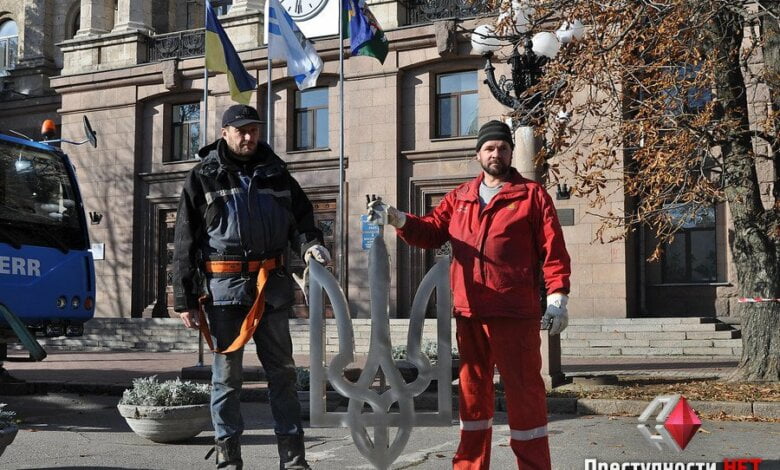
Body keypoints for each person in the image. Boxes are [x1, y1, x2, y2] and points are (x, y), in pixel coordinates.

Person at [367, 120, 571, 470]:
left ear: (511, 154)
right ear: (478, 154)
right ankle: (470, 466)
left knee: (525, 396)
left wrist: (558, 297)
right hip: (470, 312)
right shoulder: (460, 197)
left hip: (513, 314)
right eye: (490, 148)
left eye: (503, 148)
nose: (497, 154)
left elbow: (553, 249)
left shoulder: (532, 195)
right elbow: (430, 231)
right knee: (473, 397)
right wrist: (397, 218)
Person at [173, 104, 329, 470]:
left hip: (271, 289)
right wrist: (184, 298)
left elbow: (302, 220)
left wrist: (311, 244)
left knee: (284, 375)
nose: (249, 136)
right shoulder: (203, 177)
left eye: (254, 130)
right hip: (224, 293)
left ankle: (293, 459)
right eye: (241, 130)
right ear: (225, 133)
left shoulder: (277, 174)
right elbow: (185, 242)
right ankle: (229, 458)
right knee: (227, 379)